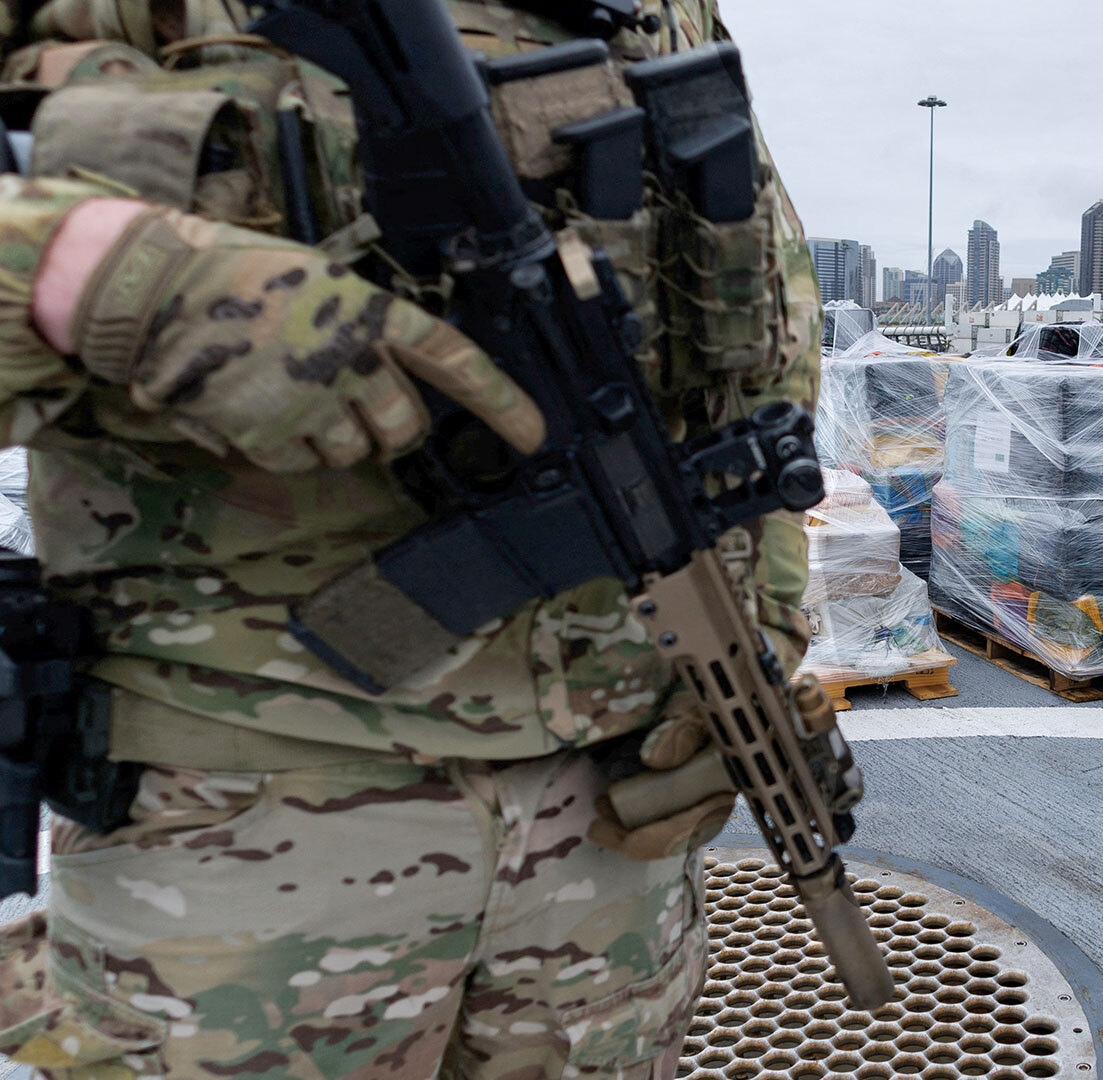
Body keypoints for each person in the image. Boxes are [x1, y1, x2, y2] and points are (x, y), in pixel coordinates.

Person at [0, 0, 820, 1075]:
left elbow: (761, 367)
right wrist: (102, 279)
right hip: (240, 824)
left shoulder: (661, 11)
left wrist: (754, 650)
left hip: (613, 835)